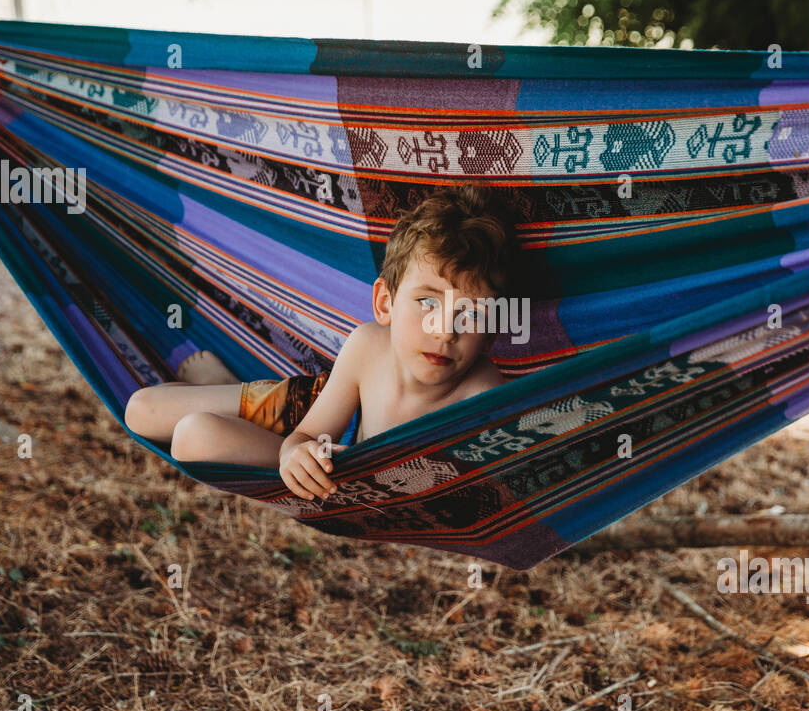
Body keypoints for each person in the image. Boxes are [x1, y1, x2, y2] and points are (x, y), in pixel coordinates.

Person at [122, 183, 522, 500]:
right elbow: (305, 435)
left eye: (471, 313)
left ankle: (229, 402)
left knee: (193, 436)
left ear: (491, 332)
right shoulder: (368, 346)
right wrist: (294, 453)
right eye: (426, 302)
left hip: (339, 473)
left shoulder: (484, 395)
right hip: (312, 407)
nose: (445, 331)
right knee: (141, 410)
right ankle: (220, 383)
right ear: (385, 304)